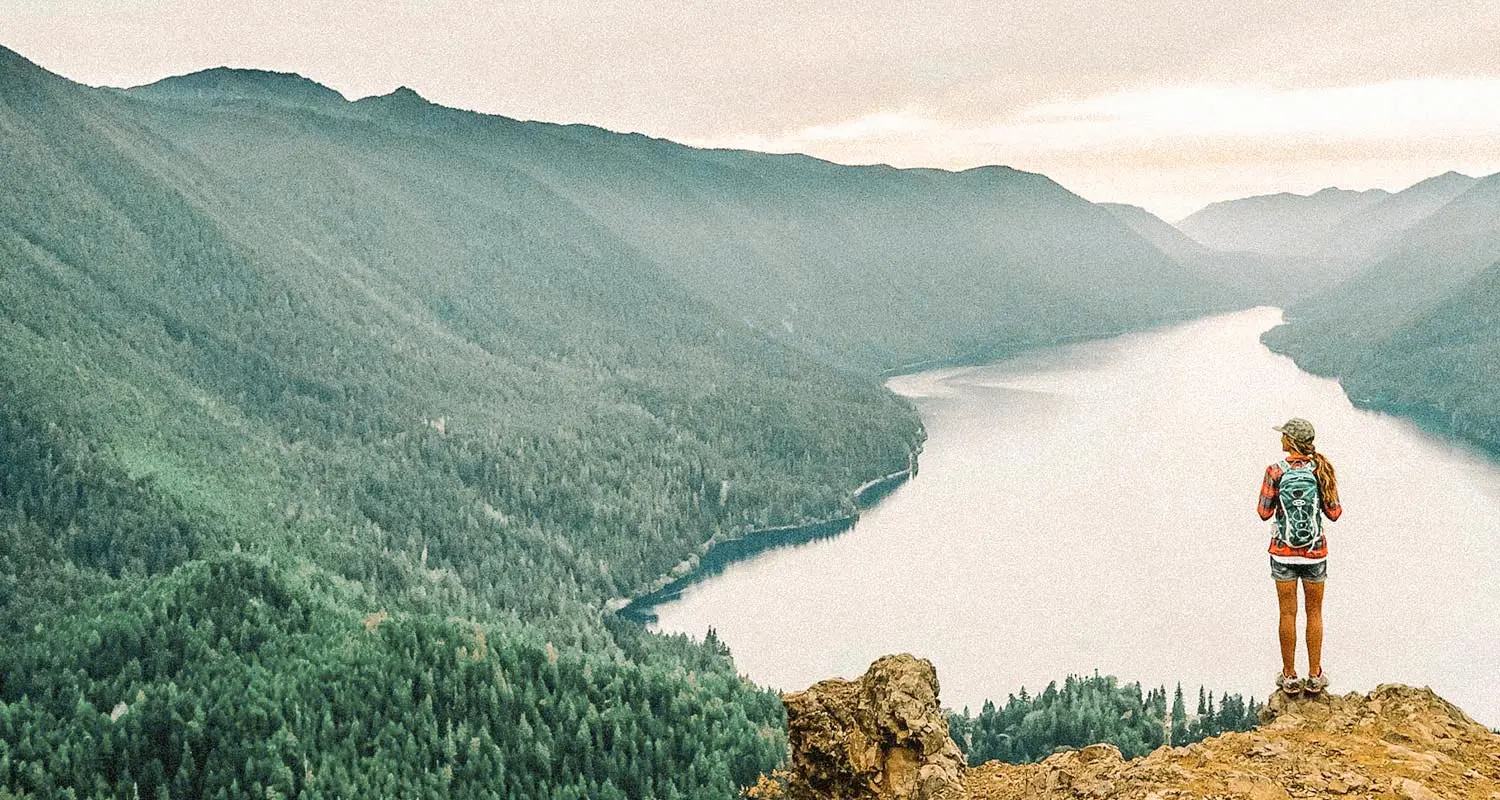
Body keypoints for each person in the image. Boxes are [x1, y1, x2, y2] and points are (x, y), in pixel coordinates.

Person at [1257, 417, 1341, 696]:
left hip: (1283, 552)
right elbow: (1334, 512)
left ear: (1291, 441)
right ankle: (1315, 675)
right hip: (1315, 553)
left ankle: (1290, 676)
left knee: (1287, 613)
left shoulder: (1274, 471)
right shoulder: (1322, 470)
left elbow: (1263, 512)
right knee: (1314, 612)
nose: (1280, 438)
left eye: (1283, 435)